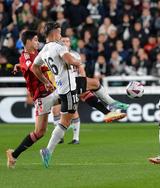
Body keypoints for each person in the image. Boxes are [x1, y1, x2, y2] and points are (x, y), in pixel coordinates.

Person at [32, 22, 128, 168]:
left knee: (93, 84)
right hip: (69, 88)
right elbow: (70, 60)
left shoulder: (44, 50)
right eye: (59, 32)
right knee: (65, 122)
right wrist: (78, 61)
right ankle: (48, 150)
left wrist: (45, 81)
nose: (60, 35)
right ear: (53, 33)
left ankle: (110, 108)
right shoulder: (59, 47)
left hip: (65, 86)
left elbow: (35, 67)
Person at [6, 30, 60, 168]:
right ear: (28, 41)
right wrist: (47, 80)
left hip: (47, 94)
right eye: (35, 40)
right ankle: (13, 155)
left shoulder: (34, 54)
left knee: (70, 95)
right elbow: (34, 69)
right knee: (40, 132)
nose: (38, 42)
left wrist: (19, 67)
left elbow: (27, 66)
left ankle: (14, 155)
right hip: (41, 96)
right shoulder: (25, 56)